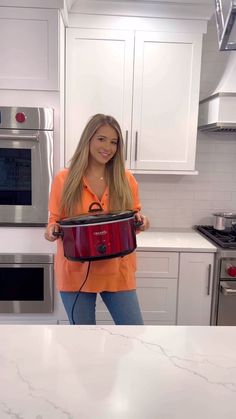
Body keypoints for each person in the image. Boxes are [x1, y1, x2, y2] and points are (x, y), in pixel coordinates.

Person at [44, 114, 150, 325]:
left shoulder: (126, 179)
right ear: (88, 139)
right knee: (84, 343)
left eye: (114, 142)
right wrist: (51, 230)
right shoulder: (64, 179)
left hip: (118, 270)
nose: (108, 147)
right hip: (76, 272)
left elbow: (135, 219)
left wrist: (142, 222)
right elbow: (53, 222)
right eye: (101, 139)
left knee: (133, 334)